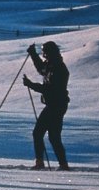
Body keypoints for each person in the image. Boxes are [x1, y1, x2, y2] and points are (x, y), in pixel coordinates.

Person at [22, 41, 71, 170]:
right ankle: (61, 164)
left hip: (56, 105)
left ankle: (43, 163)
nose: (43, 55)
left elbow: (49, 89)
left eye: (45, 52)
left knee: (40, 133)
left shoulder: (59, 68)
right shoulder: (52, 65)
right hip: (55, 105)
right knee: (52, 136)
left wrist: (31, 84)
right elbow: (40, 68)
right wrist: (33, 54)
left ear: (50, 53)